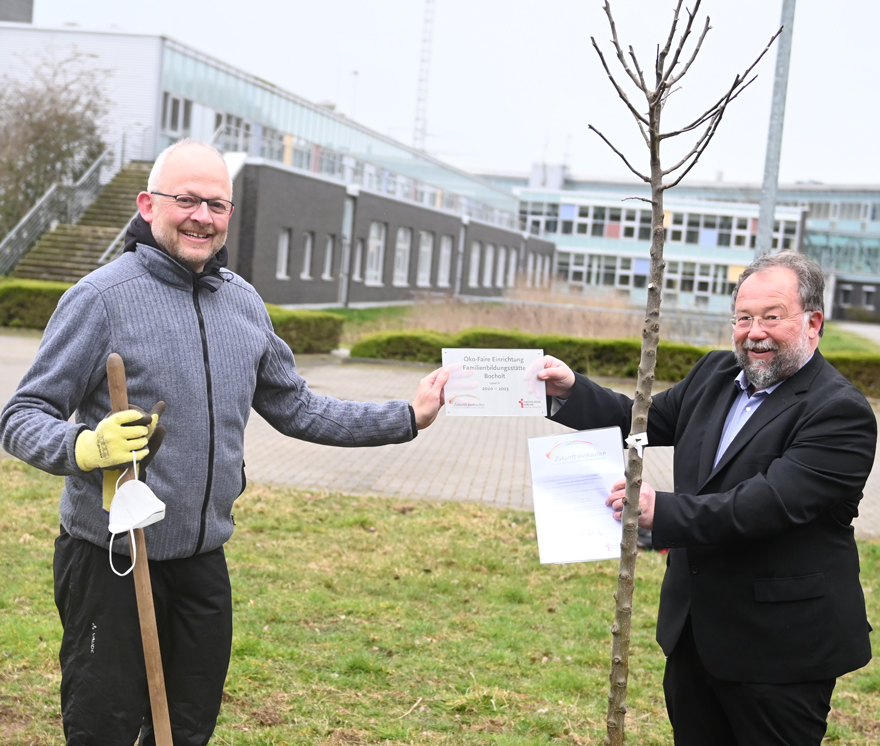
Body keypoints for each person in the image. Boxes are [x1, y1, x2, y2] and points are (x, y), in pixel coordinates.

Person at [0, 139, 449, 746]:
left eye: (216, 204)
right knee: (101, 728)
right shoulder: (100, 298)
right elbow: (22, 416)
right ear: (148, 203)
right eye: (186, 200)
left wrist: (407, 416)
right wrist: (84, 447)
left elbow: (297, 407)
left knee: (187, 730)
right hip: (112, 560)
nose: (201, 217)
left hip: (201, 561)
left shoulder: (242, 303)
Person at [536, 251, 875, 746]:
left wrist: (661, 511)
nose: (754, 332)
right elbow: (641, 421)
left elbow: (770, 503)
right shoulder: (714, 374)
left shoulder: (839, 411)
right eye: (743, 318)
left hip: (779, 650)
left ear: (813, 322)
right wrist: (569, 392)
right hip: (694, 634)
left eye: (772, 317)